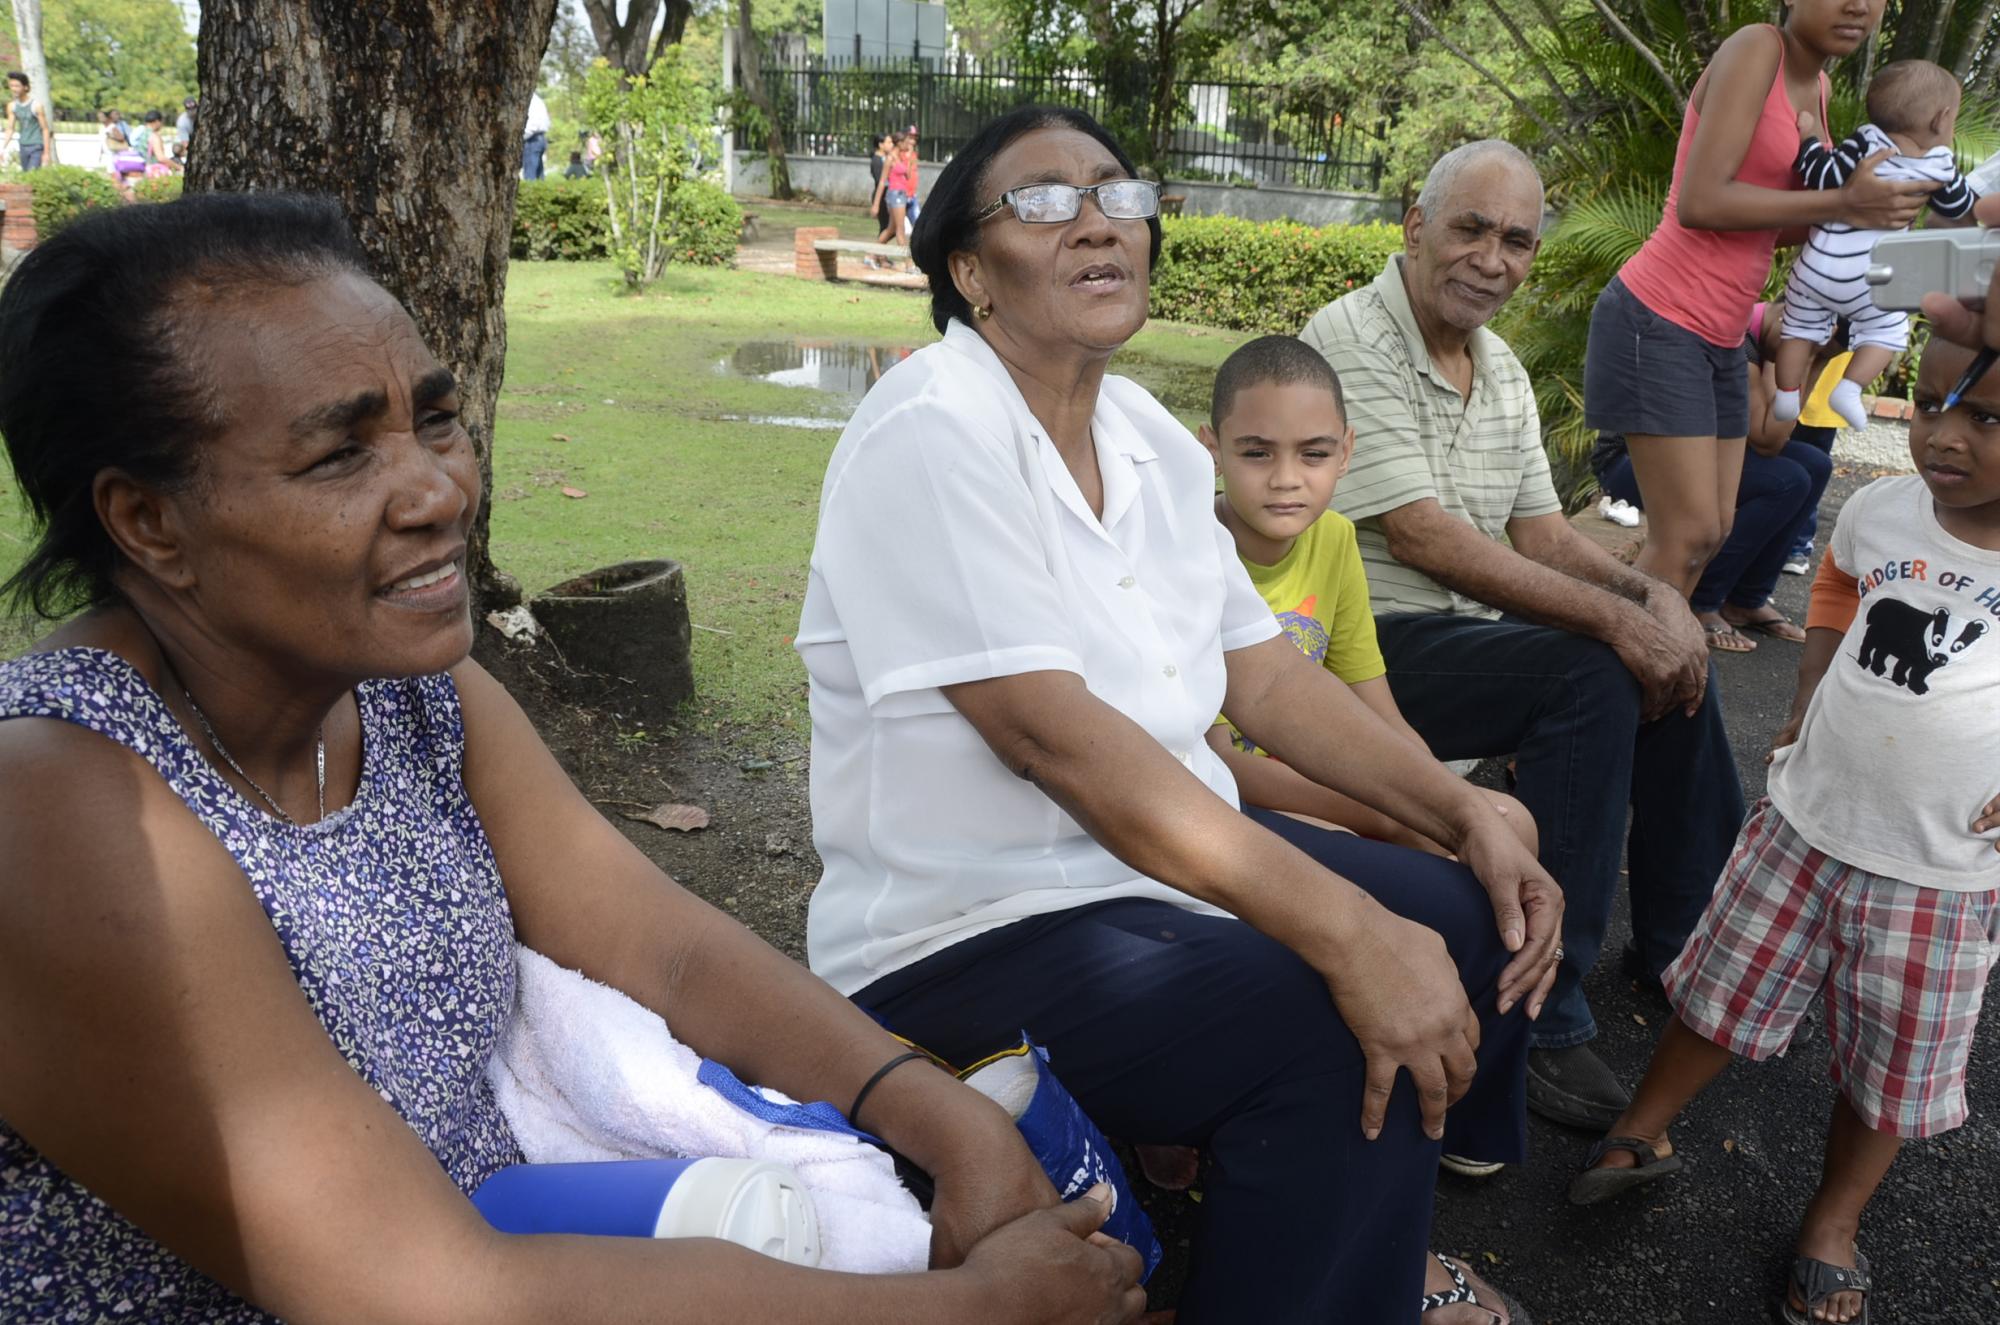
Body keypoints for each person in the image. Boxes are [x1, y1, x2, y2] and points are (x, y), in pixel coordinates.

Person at [0, 192, 1145, 1324]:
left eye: (434, 421)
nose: (439, 489)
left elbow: (665, 946)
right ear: (148, 524)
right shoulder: (62, 803)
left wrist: (942, 1116)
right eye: (340, 456)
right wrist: (971, 1309)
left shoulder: (411, 696)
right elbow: (421, 1289)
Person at [803, 104, 1557, 1323]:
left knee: (1459, 898)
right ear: (964, 268)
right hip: (969, 927)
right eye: (1041, 202)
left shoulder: (1147, 436)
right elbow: (1058, 743)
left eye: (1116, 192)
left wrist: (1456, 805)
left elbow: (1262, 677)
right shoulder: (931, 433)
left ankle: (1339, 1235)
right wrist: (1347, 930)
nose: (1097, 220)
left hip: (1146, 878)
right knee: (1330, 999)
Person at [1302, 139, 1745, 1134]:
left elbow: (1541, 533)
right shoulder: (1349, 336)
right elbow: (1420, 532)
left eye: (1514, 240)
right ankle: (1543, 1008)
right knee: (1593, 668)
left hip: (1459, 641)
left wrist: (1654, 602)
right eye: (1468, 229)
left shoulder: (1495, 366)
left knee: (1672, 657)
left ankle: (1688, 945)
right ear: (1413, 226)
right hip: (1358, 653)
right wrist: (1622, 623)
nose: (1491, 259)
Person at [1568, 330, 2000, 1325]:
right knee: (1718, 988)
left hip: (1938, 870)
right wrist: (1807, 688)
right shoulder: (1884, 508)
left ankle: (1832, 1219)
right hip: (1803, 821)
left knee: (1888, 1063)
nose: (1942, 434)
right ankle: (1645, 1125)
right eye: (1930, 402)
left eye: (1985, 417)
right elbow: (1838, 585)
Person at [1583, 1, 1928, 601]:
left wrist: (1871, 220)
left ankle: (1631, 676)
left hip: (1718, 334)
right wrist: (1843, 206)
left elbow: (1774, 224)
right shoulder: (1756, 49)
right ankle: (1605, 680)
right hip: (1659, 314)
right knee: (1684, 536)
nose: (1861, 5)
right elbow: (1703, 201)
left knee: (1711, 532)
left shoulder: (1814, 84)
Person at [1198, 334, 1539, 865]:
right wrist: (1389, 812)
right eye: (1256, 452)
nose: (1286, 479)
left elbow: (1377, 710)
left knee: (1510, 823)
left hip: (1322, 766)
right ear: (1212, 450)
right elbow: (1223, 760)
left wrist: (1447, 803)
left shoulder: (1334, 540)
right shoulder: (1190, 548)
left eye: (1314, 453)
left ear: (1346, 453)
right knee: (1366, 851)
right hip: (1226, 793)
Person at [1593, 303, 1839, 652]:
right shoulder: (1737, 341)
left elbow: (1778, 426)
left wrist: (1816, 357)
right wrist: (1809, 358)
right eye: (1809, 344)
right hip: (1630, 463)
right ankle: (1702, 602)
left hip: (1695, 457)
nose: (1809, 352)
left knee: (1815, 465)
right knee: (1785, 480)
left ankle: (1746, 599)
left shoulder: (1770, 335)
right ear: (1788, 318)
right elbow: (1769, 438)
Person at [1773, 60, 1971, 430]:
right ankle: (1850, 387)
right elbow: (1961, 208)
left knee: (1798, 327)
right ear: (1942, 120)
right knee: (1887, 330)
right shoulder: (1941, 165)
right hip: (1873, 278)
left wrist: (1808, 140)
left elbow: (1821, 176)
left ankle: (1785, 393)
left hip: (1819, 264)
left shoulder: (1865, 142)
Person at [871, 132, 918, 247]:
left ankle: (871, 255)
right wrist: (876, 204)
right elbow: (882, 182)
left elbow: (907, 175)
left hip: (902, 194)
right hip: (895, 195)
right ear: (900, 143)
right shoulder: (890, 159)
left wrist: (909, 157)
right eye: (906, 142)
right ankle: (908, 264)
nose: (909, 145)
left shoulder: (899, 158)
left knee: (891, 230)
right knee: (900, 230)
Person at [0, 71, 52, 171]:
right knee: (25, 176)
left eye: (17, 86)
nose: (14, 89)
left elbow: (45, 129)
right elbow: (10, 129)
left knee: (32, 174)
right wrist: (2, 149)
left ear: (26, 87)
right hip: (23, 145)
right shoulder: (12, 106)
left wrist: (46, 153)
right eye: (12, 85)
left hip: (37, 146)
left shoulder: (36, 106)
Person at [870, 130, 896, 242]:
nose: (892, 145)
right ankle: (875, 255)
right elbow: (880, 180)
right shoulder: (876, 161)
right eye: (889, 142)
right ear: (881, 145)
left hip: (887, 195)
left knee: (889, 228)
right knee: (886, 227)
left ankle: (879, 256)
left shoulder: (886, 158)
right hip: (881, 196)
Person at [140, 110, 182, 177]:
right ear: (157, 121)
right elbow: (161, 158)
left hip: (141, 168)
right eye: (162, 122)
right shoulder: (154, 136)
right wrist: (179, 167)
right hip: (153, 171)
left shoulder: (141, 133)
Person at [522, 90, 550, 181]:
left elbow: (532, 125)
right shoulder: (539, 101)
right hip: (541, 139)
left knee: (530, 175)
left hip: (532, 140)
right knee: (539, 174)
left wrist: (521, 138)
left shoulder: (530, 101)